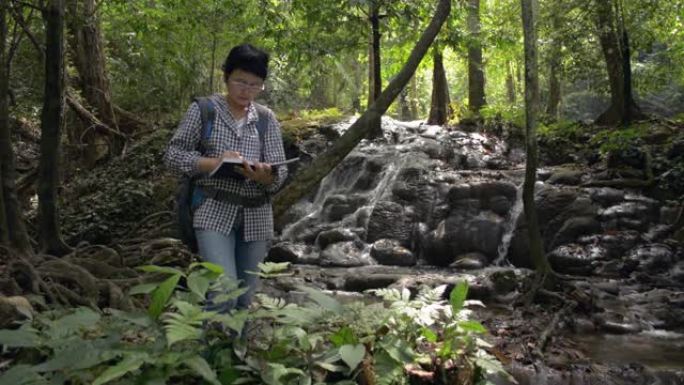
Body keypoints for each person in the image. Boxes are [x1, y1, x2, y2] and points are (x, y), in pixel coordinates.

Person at [164, 44, 287, 312]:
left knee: (244, 299)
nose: (247, 90)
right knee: (224, 293)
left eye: (255, 85)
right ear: (226, 77)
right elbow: (173, 155)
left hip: (257, 215)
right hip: (213, 209)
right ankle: (209, 352)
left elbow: (281, 174)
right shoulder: (204, 110)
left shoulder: (266, 119)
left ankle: (234, 352)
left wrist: (266, 176)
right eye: (240, 81)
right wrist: (213, 163)